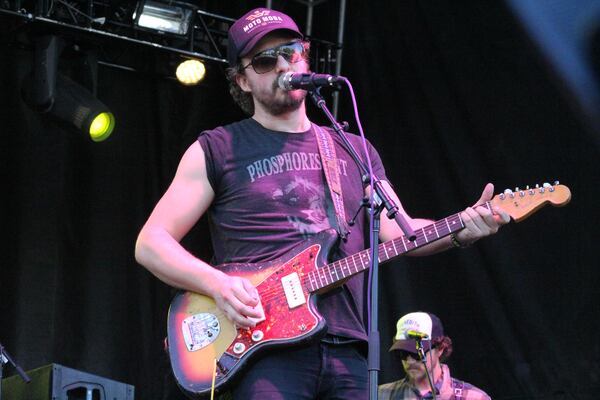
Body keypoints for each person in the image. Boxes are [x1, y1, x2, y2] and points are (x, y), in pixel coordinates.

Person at [134, 7, 509, 400]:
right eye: (264, 60)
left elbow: (401, 232)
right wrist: (219, 284)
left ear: (306, 57)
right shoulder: (217, 149)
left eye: (291, 51)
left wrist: (464, 227)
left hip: (349, 346)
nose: (282, 64)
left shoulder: (353, 150)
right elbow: (151, 243)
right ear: (242, 80)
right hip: (264, 347)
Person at [378, 312, 491, 400]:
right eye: (403, 353)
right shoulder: (378, 395)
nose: (409, 360)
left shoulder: (473, 397)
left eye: (417, 353)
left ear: (440, 348)